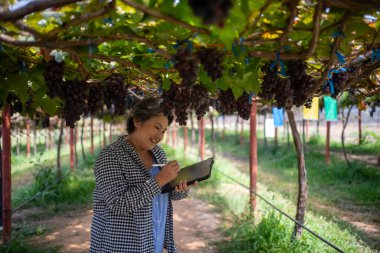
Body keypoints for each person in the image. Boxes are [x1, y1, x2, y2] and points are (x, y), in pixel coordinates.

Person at [90, 96, 194, 253]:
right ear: (137, 121)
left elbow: (164, 194)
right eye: (156, 127)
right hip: (120, 246)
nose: (160, 136)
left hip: (152, 241)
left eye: (164, 131)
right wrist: (159, 180)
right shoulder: (111, 156)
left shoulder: (158, 153)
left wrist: (180, 188)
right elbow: (118, 204)